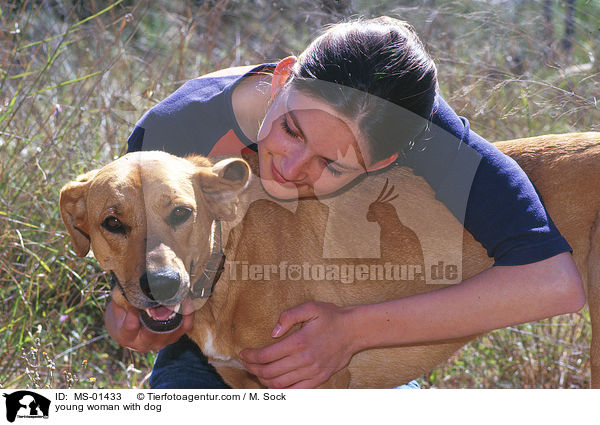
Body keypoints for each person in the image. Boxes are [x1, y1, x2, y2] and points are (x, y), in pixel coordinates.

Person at [106, 16, 585, 389]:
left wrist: (351, 332)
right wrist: (140, 317)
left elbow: (552, 281)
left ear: (384, 163)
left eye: (332, 166)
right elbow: (125, 286)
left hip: (354, 350)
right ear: (284, 77)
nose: (291, 169)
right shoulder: (172, 135)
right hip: (212, 352)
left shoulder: (425, 136)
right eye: (292, 129)